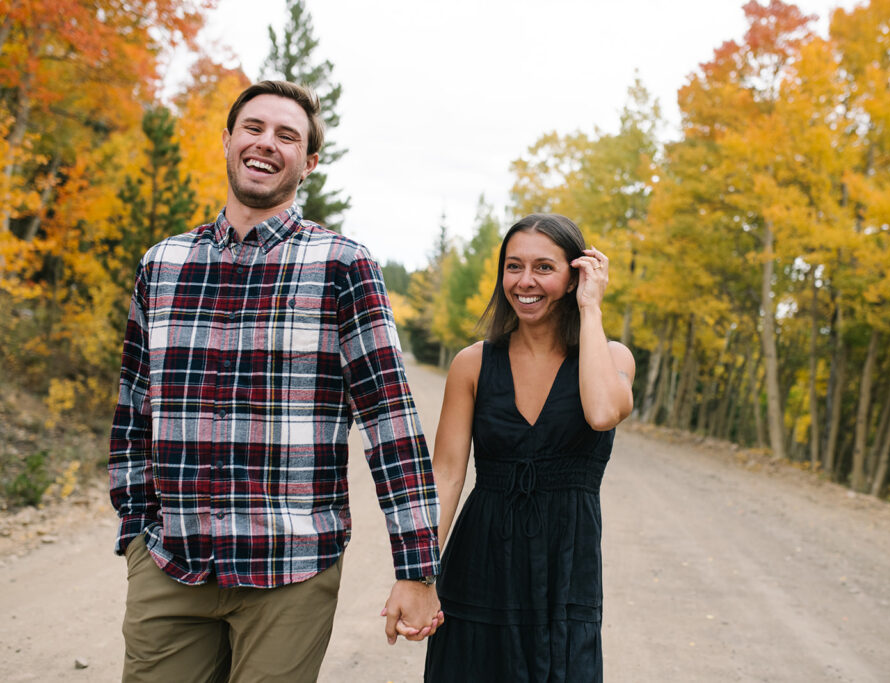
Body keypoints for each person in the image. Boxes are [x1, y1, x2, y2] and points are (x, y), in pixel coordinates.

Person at [108, 80, 442, 682]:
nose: (266, 143)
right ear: (228, 141)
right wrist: (135, 530)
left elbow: (391, 420)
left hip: (290, 569)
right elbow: (134, 405)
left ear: (308, 162)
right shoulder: (163, 264)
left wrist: (416, 569)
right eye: (253, 128)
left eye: (287, 136)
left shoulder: (342, 265)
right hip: (171, 563)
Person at [423, 213, 636, 681]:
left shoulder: (612, 358)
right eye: (513, 266)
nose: (525, 281)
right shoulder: (472, 364)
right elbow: (447, 475)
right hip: (479, 564)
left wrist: (592, 308)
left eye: (544, 267)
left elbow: (602, 413)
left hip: (566, 569)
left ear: (575, 273)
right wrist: (418, 574)